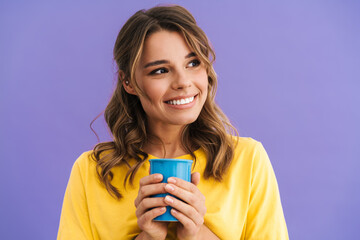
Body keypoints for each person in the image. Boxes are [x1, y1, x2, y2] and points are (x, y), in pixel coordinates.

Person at [57, 5, 289, 240]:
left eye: (193, 63)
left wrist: (197, 233)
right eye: (160, 70)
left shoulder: (248, 161)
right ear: (128, 82)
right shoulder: (91, 171)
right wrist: (147, 237)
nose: (183, 82)